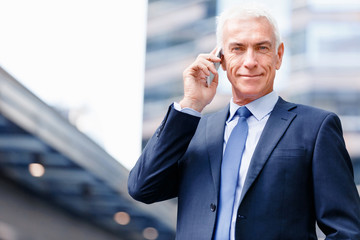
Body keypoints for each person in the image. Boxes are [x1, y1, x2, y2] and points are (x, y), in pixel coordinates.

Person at [128, 4, 360, 240]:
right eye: (238, 48)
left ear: (278, 55)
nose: (250, 61)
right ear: (222, 59)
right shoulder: (193, 129)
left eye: (261, 48)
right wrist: (191, 104)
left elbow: (346, 231)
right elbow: (143, 188)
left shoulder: (316, 127)